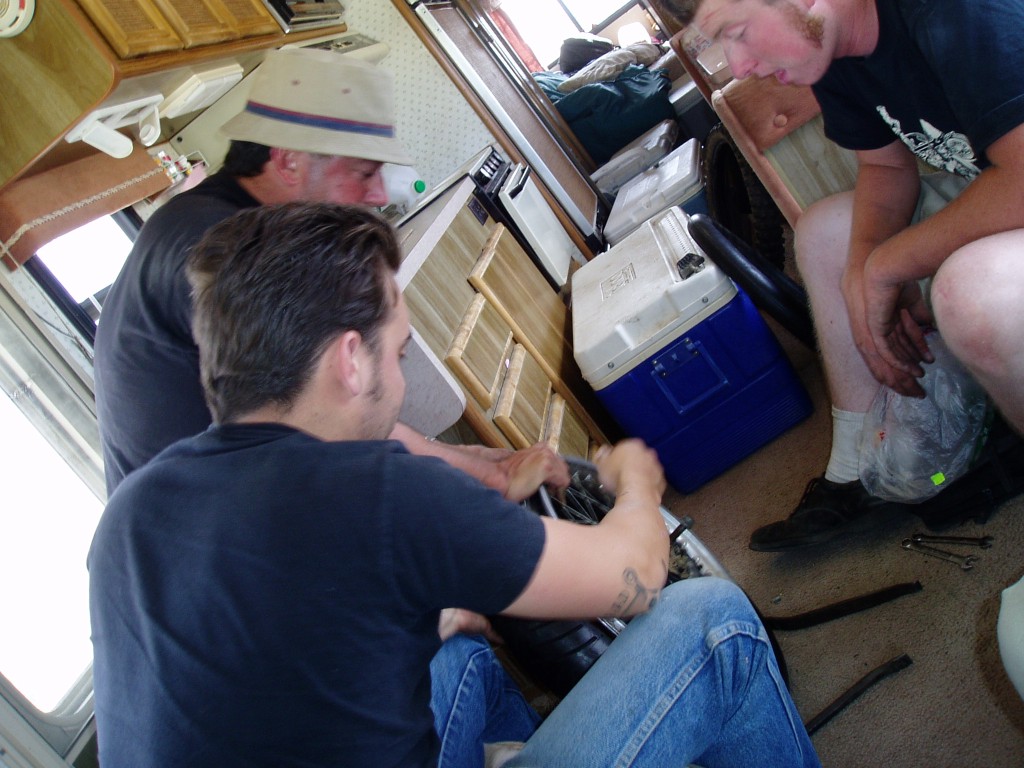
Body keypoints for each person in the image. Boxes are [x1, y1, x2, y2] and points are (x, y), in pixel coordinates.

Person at [88, 202, 820, 768]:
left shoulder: (132, 511)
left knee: (458, 655)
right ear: (350, 360)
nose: (401, 379)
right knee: (714, 621)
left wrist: (437, 613)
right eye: (399, 350)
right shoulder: (376, 493)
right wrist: (635, 485)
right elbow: (633, 575)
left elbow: (271, 672)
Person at [93, 46, 566, 501]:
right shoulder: (213, 245)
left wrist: (471, 460)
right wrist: (479, 471)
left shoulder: (242, 225)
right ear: (289, 160)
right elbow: (327, 419)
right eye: (363, 172)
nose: (378, 192)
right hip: (203, 541)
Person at [666, 0, 1024, 550]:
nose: (738, 66)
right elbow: (884, 168)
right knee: (824, 232)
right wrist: (861, 277)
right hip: (1002, 180)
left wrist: (887, 267)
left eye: (736, 33)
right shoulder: (833, 42)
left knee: (967, 295)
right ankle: (857, 468)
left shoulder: (953, 11)